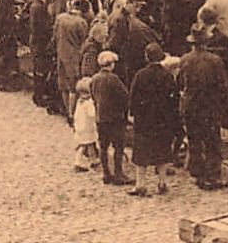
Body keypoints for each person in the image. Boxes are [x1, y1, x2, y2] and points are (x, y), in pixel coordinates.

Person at [179, 26, 228, 189]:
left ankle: (197, 174)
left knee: (194, 141)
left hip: (191, 106)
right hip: (209, 107)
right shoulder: (215, 61)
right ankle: (213, 176)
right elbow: (223, 87)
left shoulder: (185, 59)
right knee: (212, 142)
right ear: (206, 42)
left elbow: (180, 82)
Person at [128, 44, 179, 195]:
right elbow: (174, 100)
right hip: (162, 121)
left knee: (141, 153)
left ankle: (140, 185)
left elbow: (133, 98)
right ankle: (162, 183)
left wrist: (134, 114)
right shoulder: (167, 76)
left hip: (144, 120)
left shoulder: (140, 75)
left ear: (146, 57)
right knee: (162, 151)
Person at [89, 50, 132, 185]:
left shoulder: (94, 79)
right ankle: (118, 173)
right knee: (118, 146)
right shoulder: (113, 79)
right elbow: (125, 96)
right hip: (115, 117)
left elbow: (93, 96)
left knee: (103, 146)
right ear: (111, 64)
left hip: (101, 117)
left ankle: (106, 173)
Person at [71, 77, 99, 172]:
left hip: (80, 127)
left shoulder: (80, 101)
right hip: (87, 128)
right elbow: (92, 114)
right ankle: (77, 163)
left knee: (89, 145)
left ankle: (93, 160)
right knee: (83, 146)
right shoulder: (88, 103)